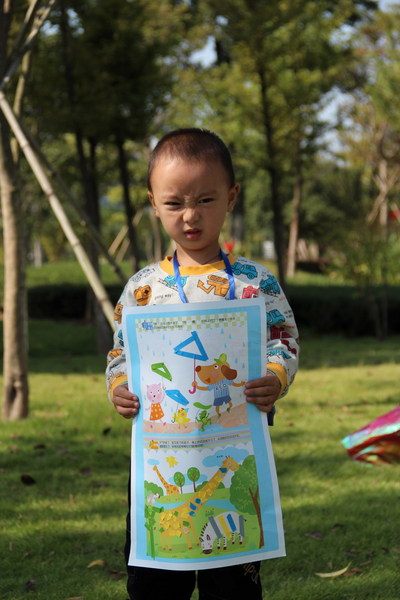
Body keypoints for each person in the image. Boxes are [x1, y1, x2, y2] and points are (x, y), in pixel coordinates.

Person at [106, 128, 299, 600]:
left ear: (231, 197)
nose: (190, 216)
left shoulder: (254, 282)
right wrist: (120, 386)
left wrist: (276, 376)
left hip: (237, 447)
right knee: (154, 582)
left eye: (205, 200)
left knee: (233, 580)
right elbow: (120, 352)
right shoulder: (143, 288)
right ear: (154, 204)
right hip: (158, 458)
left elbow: (283, 338)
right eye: (174, 203)